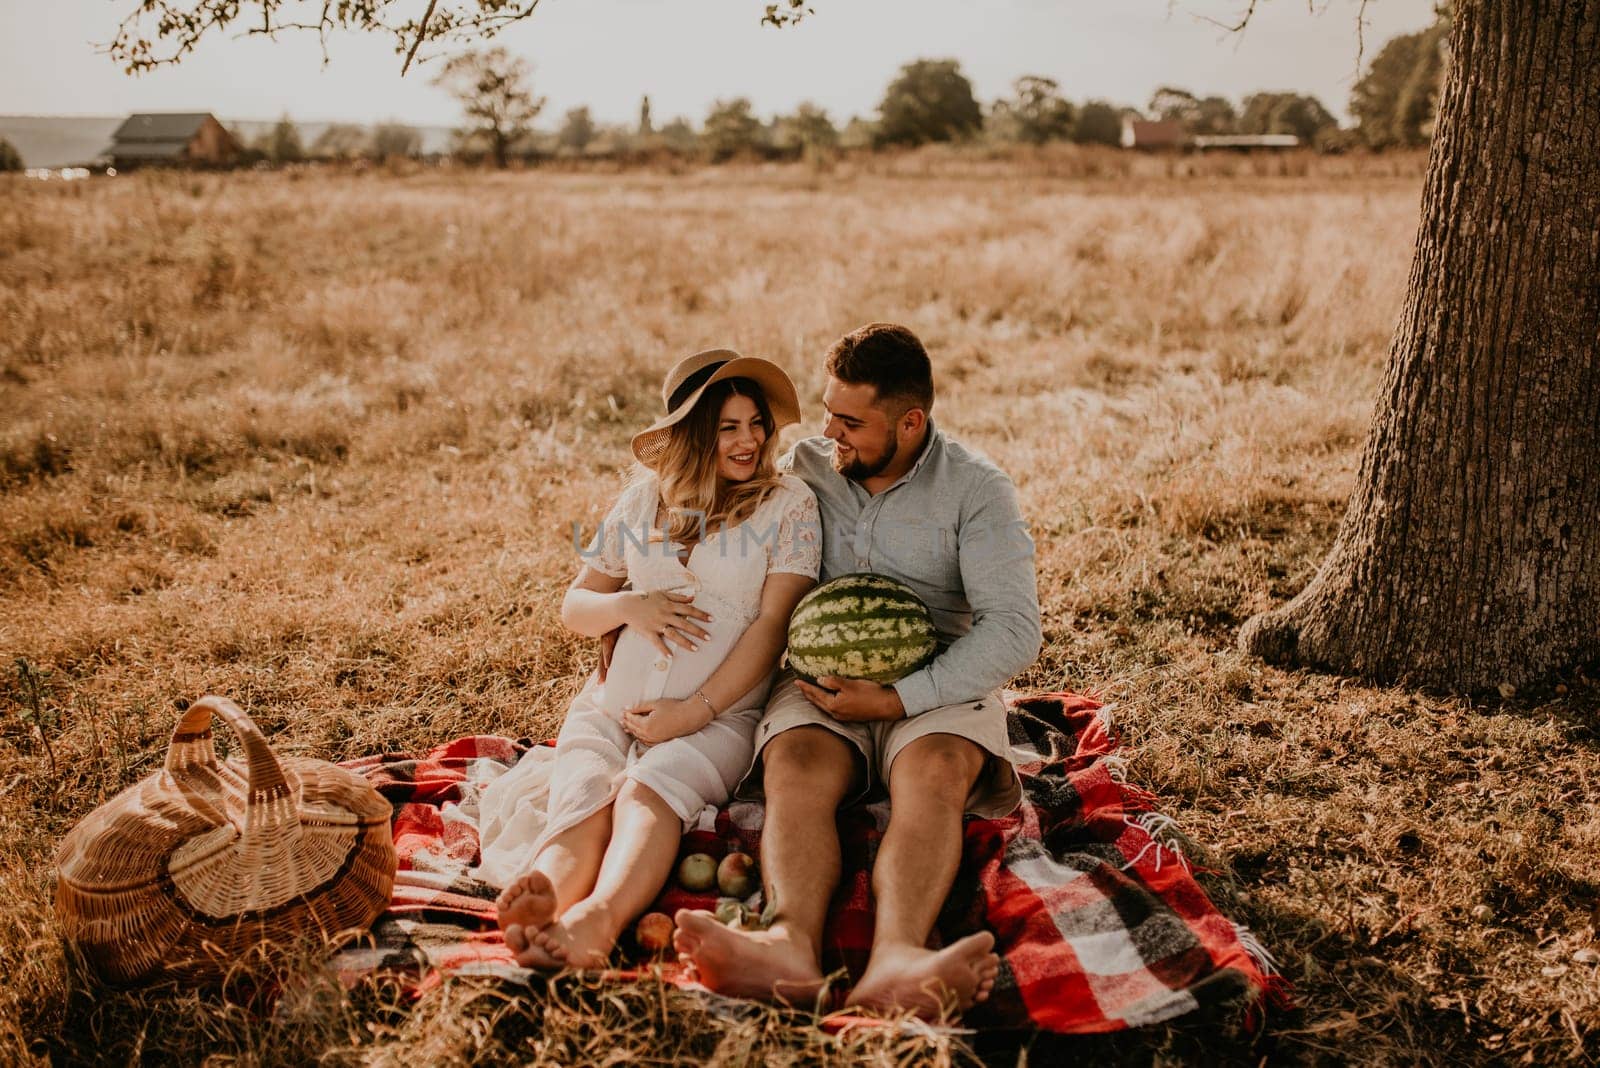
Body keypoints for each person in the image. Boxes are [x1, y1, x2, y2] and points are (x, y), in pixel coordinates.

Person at [674, 323, 1042, 1018]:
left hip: (936, 679)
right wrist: (627, 607)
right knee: (795, 768)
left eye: (850, 421)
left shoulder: (976, 490)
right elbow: (686, 504)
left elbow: (1016, 628)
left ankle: (899, 957)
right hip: (819, 679)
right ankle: (787, 945)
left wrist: (900, 699)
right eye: (826, 412)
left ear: (910, 422)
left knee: (933, 776)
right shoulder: (808, 469)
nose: (827, 432)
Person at [480, 348, 820, 968]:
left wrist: (694, 712)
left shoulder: (787, 505)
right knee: (585, 786)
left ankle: (597, 918)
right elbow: (576, 605)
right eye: (728, 427)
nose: (750, 441)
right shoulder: (643, 503)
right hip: (613, 704)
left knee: (647, 792)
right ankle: (544, 896)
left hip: (721, 718)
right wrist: (630, 606)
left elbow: (773, 628)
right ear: (693, 434)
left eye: (756, 423)